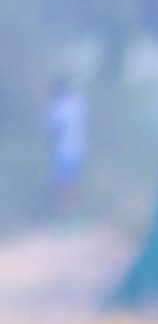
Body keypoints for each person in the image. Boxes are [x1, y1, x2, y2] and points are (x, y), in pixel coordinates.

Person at [46, 75, 86, 218]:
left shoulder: (60, 106)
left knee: (64, 183)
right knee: (74, 182)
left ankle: (67, 214)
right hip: (79, 148)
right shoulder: (79, 101)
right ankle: (75, 214)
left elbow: (50, 129)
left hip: (64, 150)